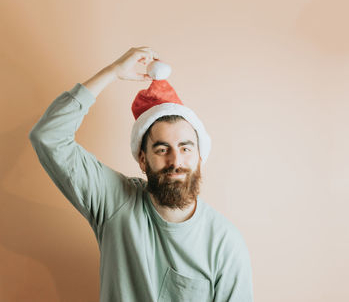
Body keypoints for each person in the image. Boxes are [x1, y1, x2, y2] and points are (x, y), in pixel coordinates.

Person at [29, 46, 254, 302]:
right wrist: (112, 72)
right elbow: (48, 136)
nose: (175, 161)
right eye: (162, 149)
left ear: (200, 157)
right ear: (143, 160)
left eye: (185, 148)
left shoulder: (225, 243)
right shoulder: (115, 202)